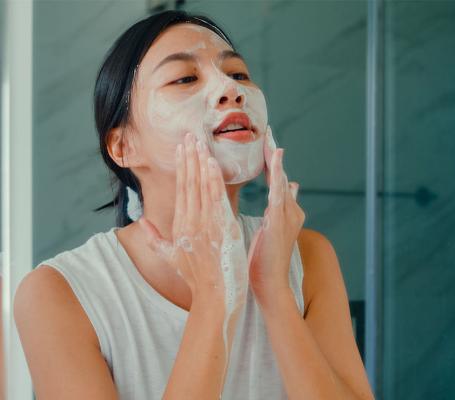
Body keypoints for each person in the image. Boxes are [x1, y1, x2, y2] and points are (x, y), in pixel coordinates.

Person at [13, 10, 373, 400]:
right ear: (123, 146)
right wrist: (212, 297)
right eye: (185, 78)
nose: (230, 90)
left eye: (237, 74)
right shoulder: (59, 292)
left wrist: (275, 293)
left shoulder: (306, 257)